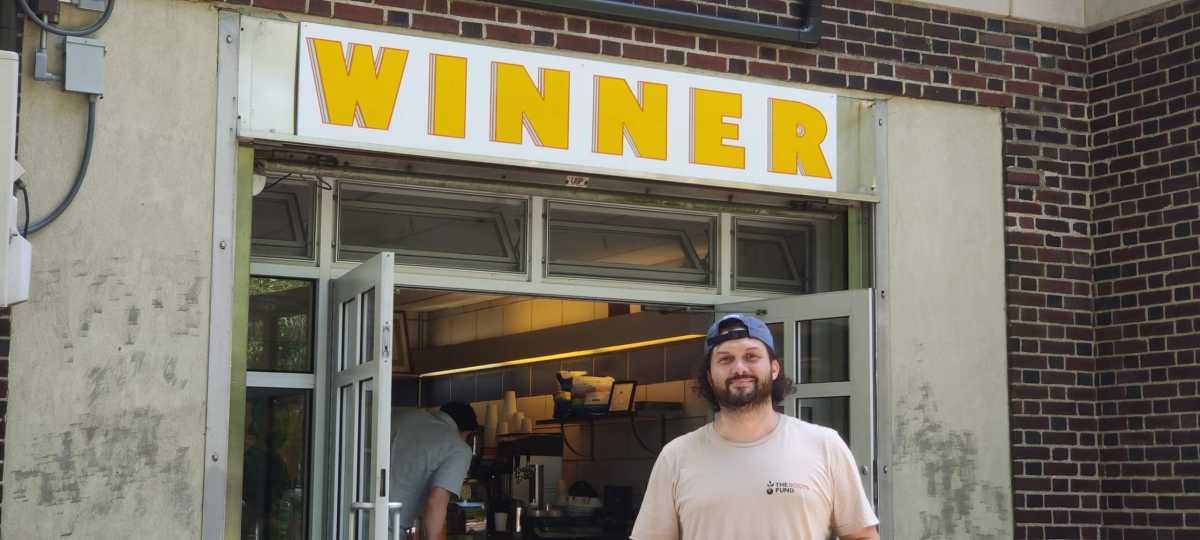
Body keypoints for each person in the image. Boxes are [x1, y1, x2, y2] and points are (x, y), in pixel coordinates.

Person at [631, 314, 880, 540]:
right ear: (709, 376)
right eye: (725, 359)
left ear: (773, 369)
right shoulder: (676, 456)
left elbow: (862, 536)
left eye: (751, 356)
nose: (739, 368)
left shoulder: (824, 445)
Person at [390, 401, 478, 540]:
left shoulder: (403, 414)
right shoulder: (458, 448)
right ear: (467, 433)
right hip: (386, 529)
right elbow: (435, 503)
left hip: (350, 516)